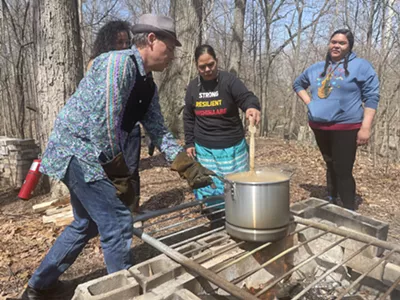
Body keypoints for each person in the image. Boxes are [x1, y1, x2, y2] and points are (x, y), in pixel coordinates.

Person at [22, 14, 215, 300]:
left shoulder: (147, 82)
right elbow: (104, 123)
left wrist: (185, 164)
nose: (173, 55)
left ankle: (39, 286)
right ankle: (125, 294)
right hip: (76, 150)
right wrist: (118, 173)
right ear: (151, 40)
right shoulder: (119, 64)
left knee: (86, 223)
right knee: (116, 221)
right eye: (170, 47)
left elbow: (158, 129)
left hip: (92, 152)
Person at [293, 29, 380, 211]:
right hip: (320, 126)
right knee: (330, 164)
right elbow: (298, 84)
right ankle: (331, 202)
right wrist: (310, 103)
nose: (336, 45)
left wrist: (366, 127)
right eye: (334, 41)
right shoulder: (317, 67)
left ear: (349, 46)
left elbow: (371, 96)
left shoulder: (361, 66)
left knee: (343, 169)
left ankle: (348, 210)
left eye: (342, 43)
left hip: (346, 126)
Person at [183, 44, 261, 207]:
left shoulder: (229, 81)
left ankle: (239, 214)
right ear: (196, 66)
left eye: (210, 64)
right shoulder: (192, 87)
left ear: (217, 61)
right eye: (202, 67)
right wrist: (189, 143)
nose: (207, 69)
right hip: (205, 150)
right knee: (211, 188)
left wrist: (251, 107)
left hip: (232, 147)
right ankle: (216, 216)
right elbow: (189, 116)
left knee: (237, 187)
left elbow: (247, 97)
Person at [86, 20, 143, 213]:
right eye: (119, 43)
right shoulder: (97, 63)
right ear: (108, 42)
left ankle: (133, 208)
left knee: (132, 169)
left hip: (131, 126)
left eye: (127, 42)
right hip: (109, 129)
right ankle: (115, 209)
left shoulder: (133, 62)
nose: (124, 47)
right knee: (113, 170)